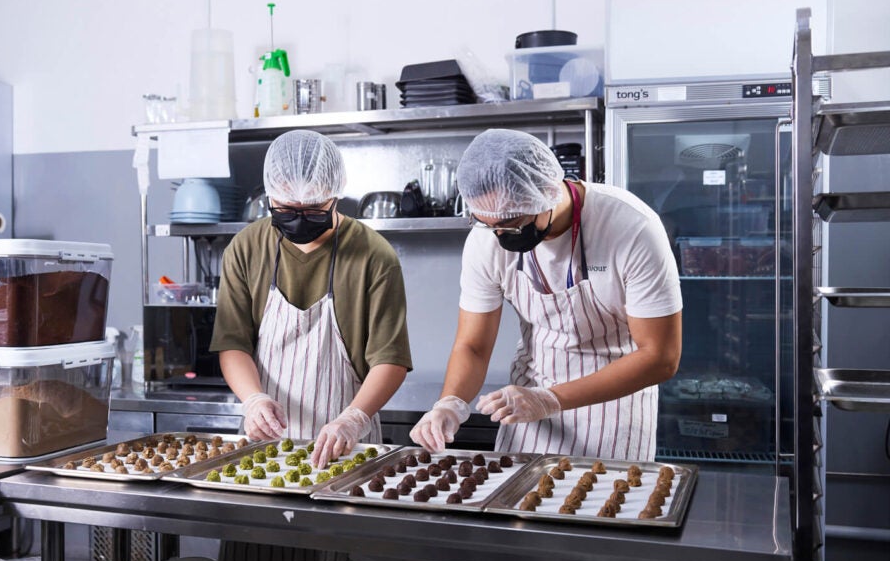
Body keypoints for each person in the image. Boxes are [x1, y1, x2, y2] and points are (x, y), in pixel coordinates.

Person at [410, 129, 682, 460]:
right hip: (527, 408)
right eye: (489, 225)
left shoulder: (631, 228)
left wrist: (550, 399)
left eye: (511, 223)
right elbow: (473, 345)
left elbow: (660, 356)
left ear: (547, 193)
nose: (501, 235)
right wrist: (450, 404)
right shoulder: (485, 241)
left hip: (613, 410)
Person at [211, 129, 412, 468]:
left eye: (315, 209)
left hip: (349, 448)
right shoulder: (246, 248)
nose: (300, 218)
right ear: (271, 194)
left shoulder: (374, 255)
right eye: (287, 209)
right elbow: (233, 344)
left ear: (334, 195)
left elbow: (390, 359)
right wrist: (253, 400)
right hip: (263, 446)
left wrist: (353, 419)